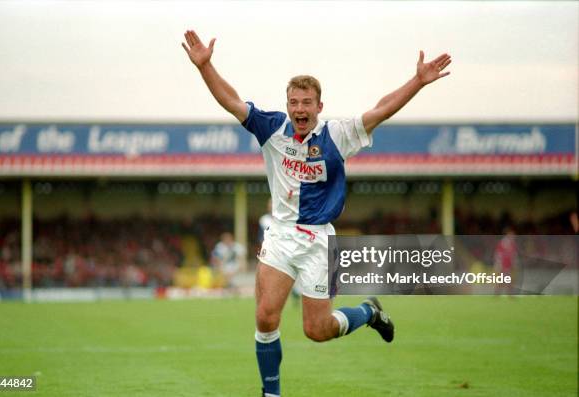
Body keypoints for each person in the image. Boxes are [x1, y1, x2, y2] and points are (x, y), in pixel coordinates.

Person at [182, 29, 452, 397]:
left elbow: (380, 110)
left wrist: (417, 82)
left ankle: (369, 312)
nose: (299, 109)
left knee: (317, 330)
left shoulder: (337, 135)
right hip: (280, 235)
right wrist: (206, 67)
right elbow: (231, 101)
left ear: (319, 107)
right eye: (294, 102)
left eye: (306, 102)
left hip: (318, 241)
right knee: (265, 316)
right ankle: (271, 393)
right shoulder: (272, 128)